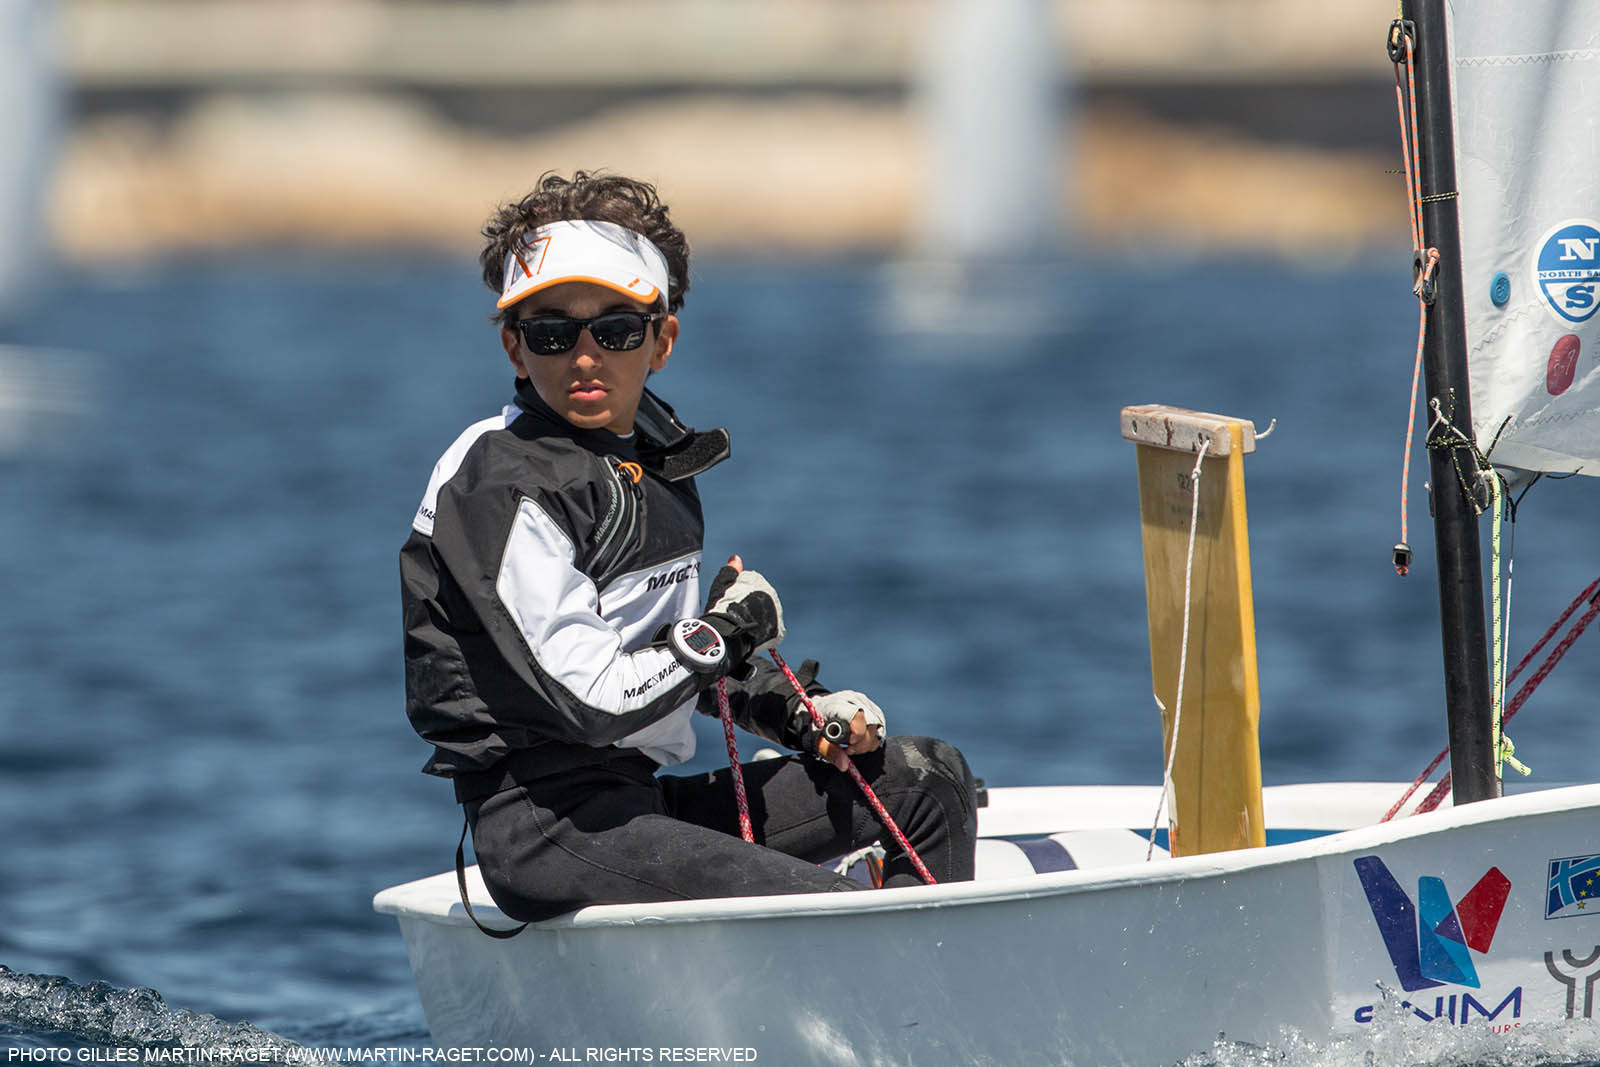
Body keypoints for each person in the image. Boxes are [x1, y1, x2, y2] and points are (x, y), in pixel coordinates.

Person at [400, 171, 978, 924]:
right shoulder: (498, 485)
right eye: (550, 331)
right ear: (513, 345)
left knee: (928, 779)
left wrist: (803, 714)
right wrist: (727, 630)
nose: (583, 356)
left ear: (661, 340)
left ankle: (920, 1021)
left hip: (635, 805)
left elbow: (666, 660)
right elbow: (596, 701)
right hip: (548, 828)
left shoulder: (650, 459)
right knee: (843, 913)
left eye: (615, 330)